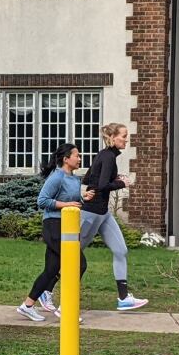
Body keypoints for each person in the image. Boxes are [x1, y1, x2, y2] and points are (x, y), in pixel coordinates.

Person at [46, 123, 147, 312]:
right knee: (72, 257)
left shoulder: (105, 156)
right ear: (113, 138)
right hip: (90, 214)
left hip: (102, 213)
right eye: (124, 136)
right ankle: (51, 295)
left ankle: (123, 298)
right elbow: (101, 185)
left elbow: (88, 180)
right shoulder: (107, 157)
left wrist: (115, 180)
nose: (126, 139)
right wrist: (121, 183)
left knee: (121, 250)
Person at [17, 143, 94, 322]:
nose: (80, 158)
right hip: (54, 226)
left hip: (66, 227)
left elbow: (69, 199)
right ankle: (66, 308)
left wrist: (83, 198)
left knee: (51, 270)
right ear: (66, 159)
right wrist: (66, 205)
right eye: (77, 155)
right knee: (79, 264)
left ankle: (27, 306)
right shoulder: (57, 177)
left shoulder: (74, 179)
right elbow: (42, 200)